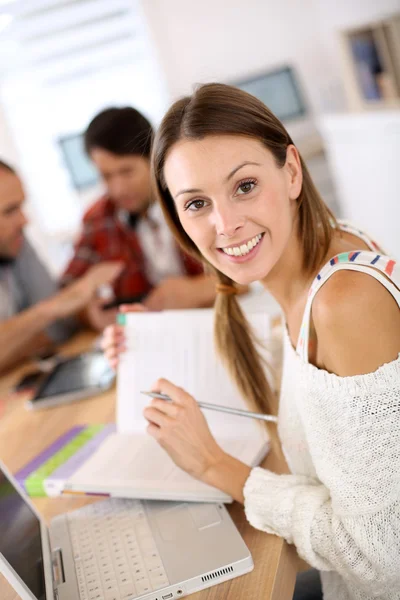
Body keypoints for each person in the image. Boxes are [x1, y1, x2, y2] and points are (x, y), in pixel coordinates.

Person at [102, 83, 400, 600]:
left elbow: (381, 556)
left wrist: (218, 468)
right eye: (197, 203)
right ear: (177, 216)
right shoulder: (326, 248)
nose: (226, 223)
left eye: (243, 186)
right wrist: (152, 345)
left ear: (290, 170)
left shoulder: (343, 302)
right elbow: (321, 400)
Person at [62, 106, 217, 320]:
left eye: (126, 172)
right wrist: (89, 313)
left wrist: (198, 290)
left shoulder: (196, 197)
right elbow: (67, 292)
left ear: (154, 158)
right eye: (106, 176)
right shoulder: (98, 218)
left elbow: (246, 270)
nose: (118, 189)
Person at [0, 159, 122, 372]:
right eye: (10, 211)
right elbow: (56, 308)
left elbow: (58, 328)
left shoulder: (15, 243)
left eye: (21, 206)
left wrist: (82, 311)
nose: (24, 220)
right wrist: (47, 311)